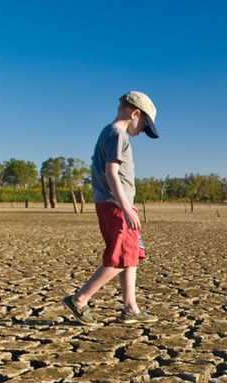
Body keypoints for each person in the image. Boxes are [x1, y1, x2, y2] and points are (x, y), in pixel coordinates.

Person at [63, 91, 160, 325]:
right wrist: (125, 207)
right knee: (119, 257)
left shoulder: (107, 132)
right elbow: (111, 173)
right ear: (135, 113)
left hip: (116, 203)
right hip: (115, 206)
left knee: (132, 254)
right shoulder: (118, 135)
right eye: (144, 125)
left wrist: (128, 203)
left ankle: (131, 308)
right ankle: (79, 299)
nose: (141, 132)